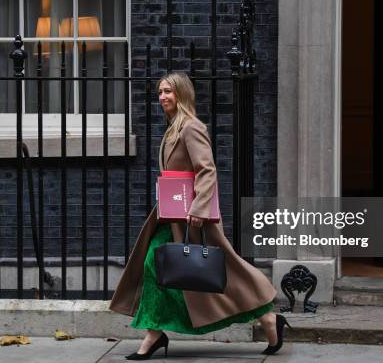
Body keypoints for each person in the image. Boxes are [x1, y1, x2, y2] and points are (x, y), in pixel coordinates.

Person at [109, 72, 290, 359]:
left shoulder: (191, 128)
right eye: (160, 92)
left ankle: (268, 318)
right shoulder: (173, 129)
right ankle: (153, 335)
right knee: (155, 267)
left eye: (168, 91)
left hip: (192, 217)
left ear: (182, 94)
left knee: (223, 272)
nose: (162, 97)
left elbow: (207, 170)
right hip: (172, 215)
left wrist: (199, 209)